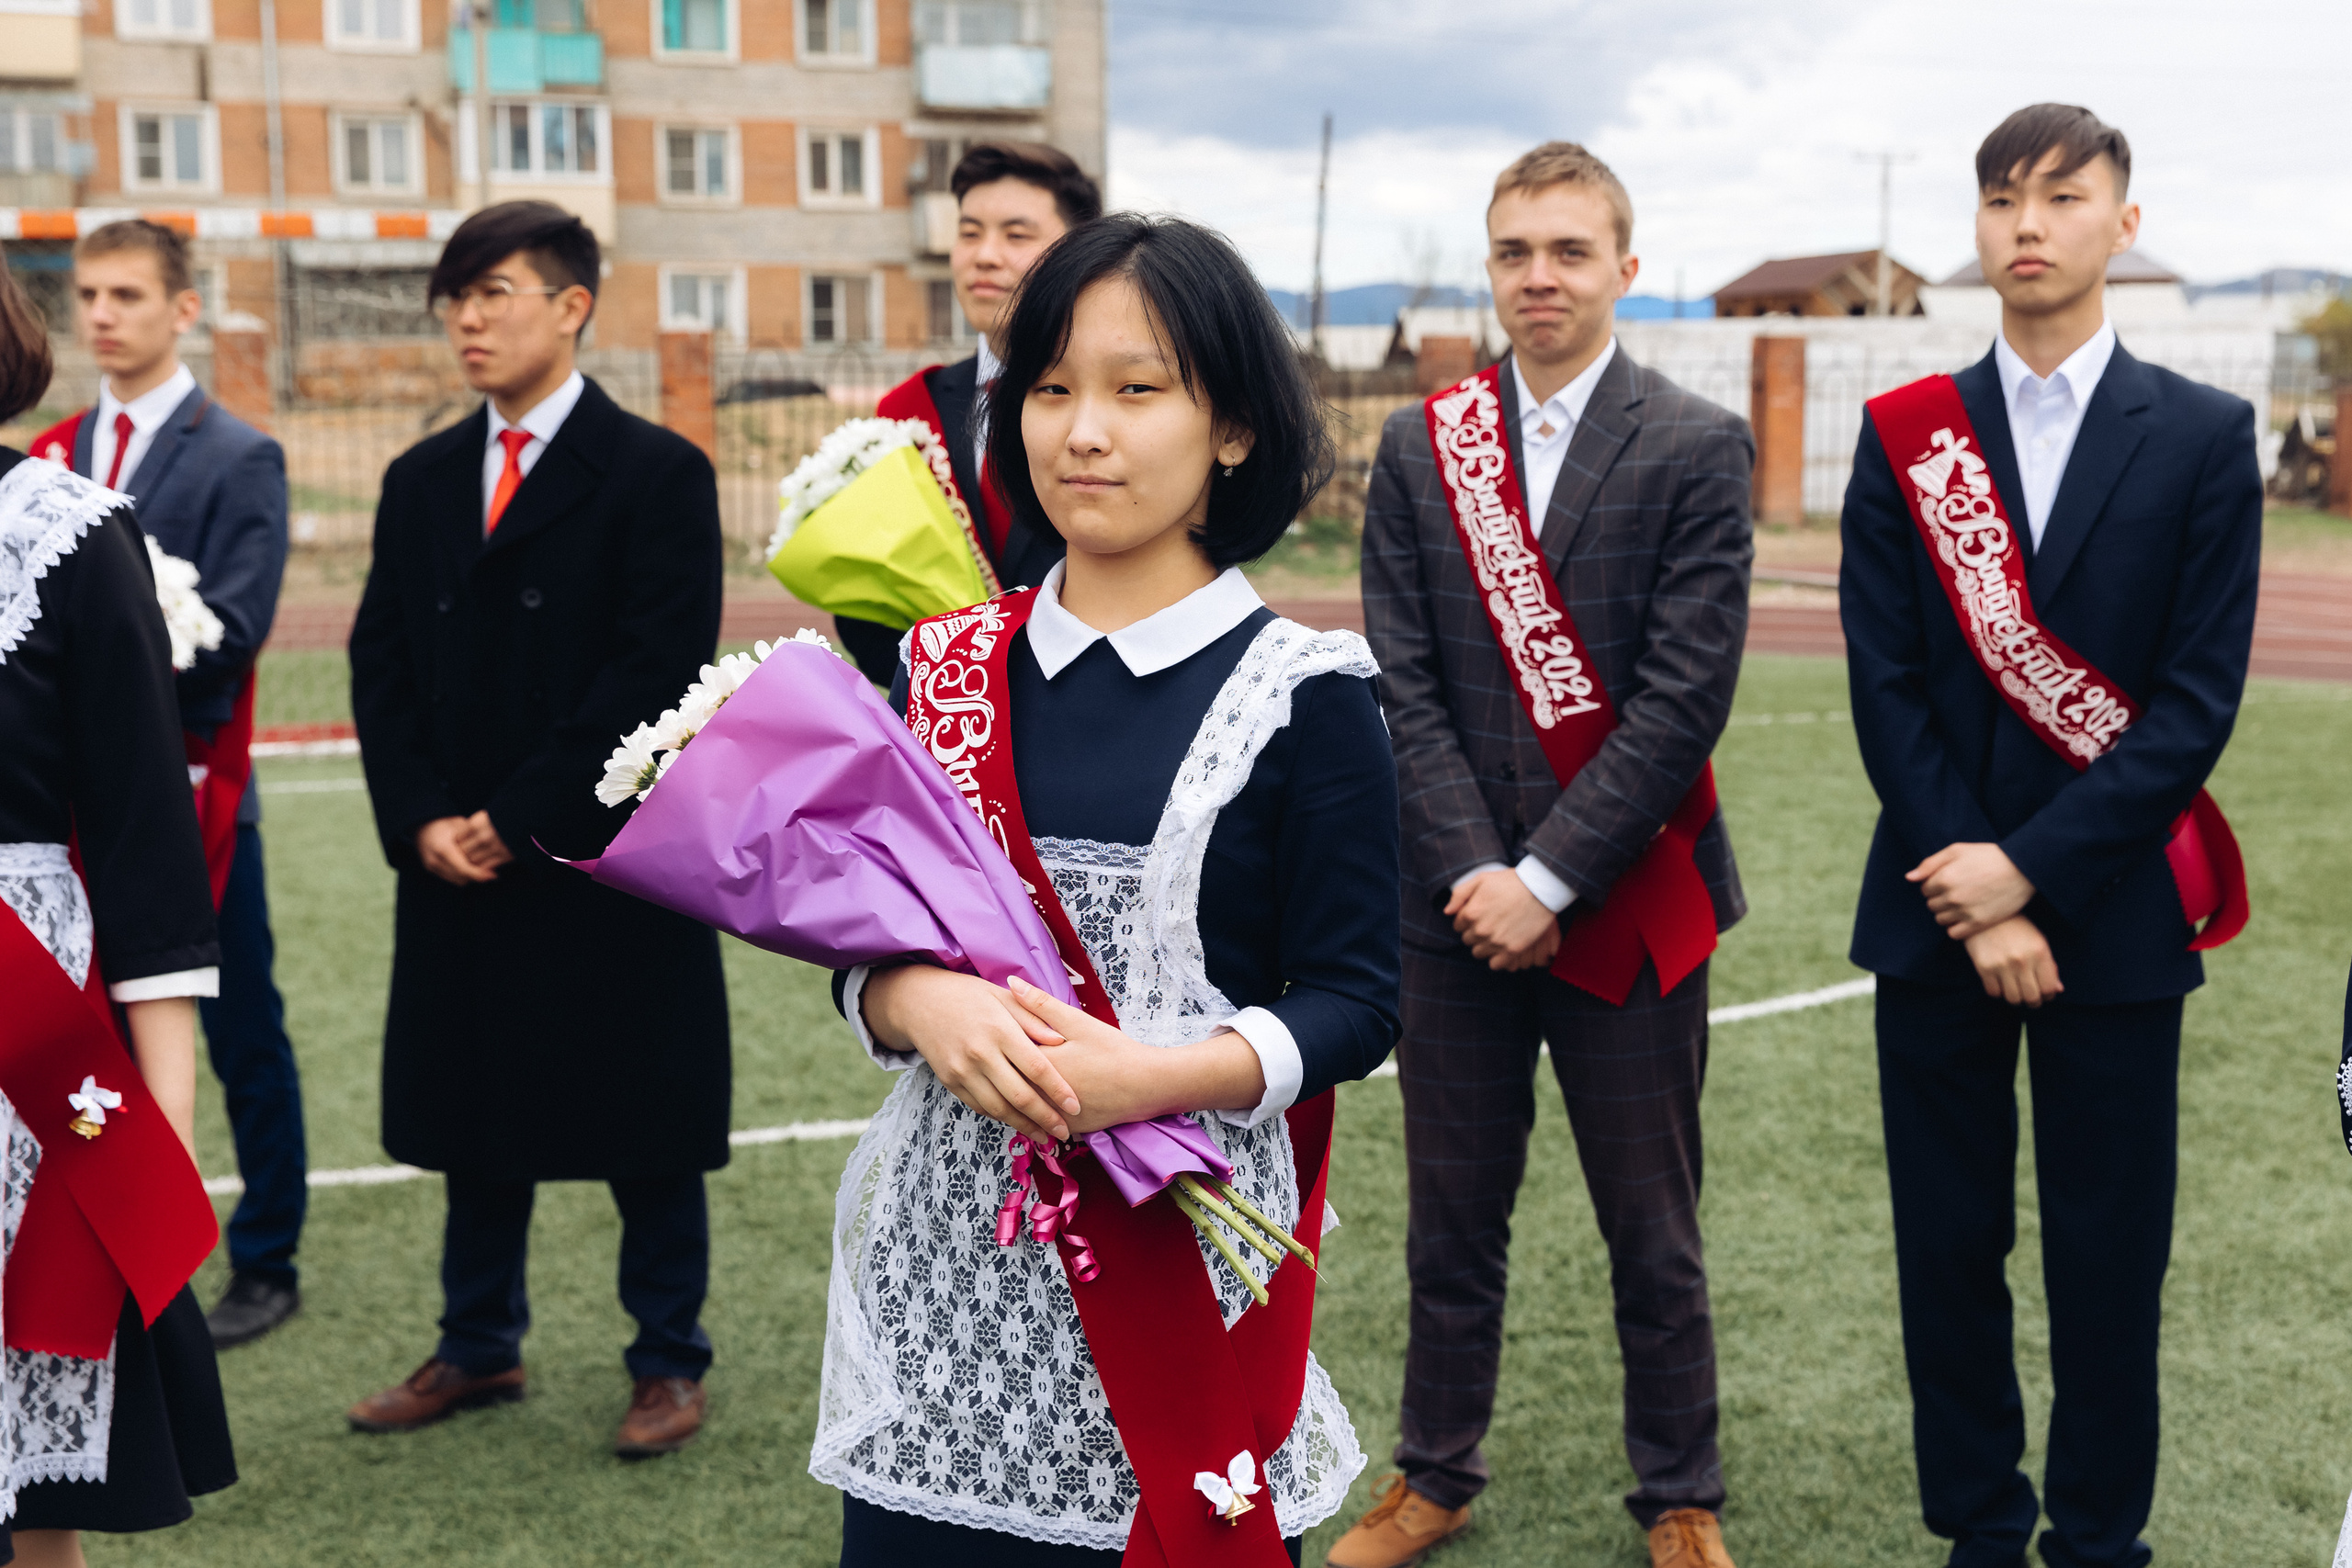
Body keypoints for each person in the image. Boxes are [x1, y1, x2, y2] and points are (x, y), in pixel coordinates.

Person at [815, 213, 1399, 1565]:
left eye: (1138, 390)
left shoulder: (1305, 695)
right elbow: (858, 942)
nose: (1085, 430)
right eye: (1053, 386)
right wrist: (910, 999)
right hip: (946, 1296)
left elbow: (1361, 1000)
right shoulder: (946, 668)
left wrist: (1158, 1075)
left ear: (1234, 426)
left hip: (1180, 1289)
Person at [1839, 105, 2258, 1568]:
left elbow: (2196, 700)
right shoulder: (1906, 435)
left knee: (2106, 1253)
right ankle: (1975, 1524)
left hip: (2113, 919)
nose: (2028, 223)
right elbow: (1885, 686)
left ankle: (2097, 1536)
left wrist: (2034, 868)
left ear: (2120, 228)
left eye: (2062, 197)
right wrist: (1978, 884)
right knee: (1949, 1250)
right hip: (1935, 906)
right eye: (2003, 197)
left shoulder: (2206, 436)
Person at [1340, 142, 1752, 1568]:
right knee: (1451, 1220)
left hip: (1625, 899)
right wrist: (1478, 872)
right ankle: (1435, 1474)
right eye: (1516, 251)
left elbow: (1686, 695)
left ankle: (1679, 1492)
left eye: (1570, 251)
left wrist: (1550, 877)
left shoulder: (1697, 443)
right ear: (1491, 265)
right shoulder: (1418, 443)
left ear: (1626, 269)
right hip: (1450, 911)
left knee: (1655, 1228)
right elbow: (1403, 673)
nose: (1540, 277)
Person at [345, 201, 732, 1458]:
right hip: (454, 857)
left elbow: (655, 669)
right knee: (475, 1106)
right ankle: (476, 1342)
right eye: (454, 294)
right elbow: (382, 662)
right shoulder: (417, 477)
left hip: (602, 854)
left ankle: (668, 1357)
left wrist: (518, 814)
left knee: (646, 1116)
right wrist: (420, 816)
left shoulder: (660, 473)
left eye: (495, 290)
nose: (466, 316)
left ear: (572, 306)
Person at [29, 218, 302, 1350]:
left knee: (235, 1022)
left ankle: (265, 1253)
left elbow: (234, 629)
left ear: (183, 309)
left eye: (129, 294)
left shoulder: (239, 454)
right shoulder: (48, 450)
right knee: (75, 1030)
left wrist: (112, 640)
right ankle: (90, 1230)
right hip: (59, 811)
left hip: (189, 787)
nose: (102, 314)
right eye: (88, 293)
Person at [0, 256, 236, 1567]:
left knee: (39, 1481)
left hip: (29, 1048)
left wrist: (166, 1122)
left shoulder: (71, 531)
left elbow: (149, 848)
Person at [833, 140, 1102, 684]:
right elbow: (868, 597)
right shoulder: (910, 410)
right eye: (969, 232)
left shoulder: (1110, 408)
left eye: (1016, 235)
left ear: (1077, 250)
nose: (984, 255)